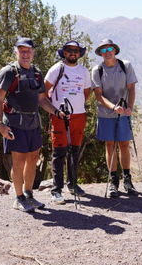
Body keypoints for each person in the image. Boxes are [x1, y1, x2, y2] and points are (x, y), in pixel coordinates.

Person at [0, 37, 66, 213]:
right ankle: (18, 198)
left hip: (33, 123)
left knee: (33, 159)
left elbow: (42, 99)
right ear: (16, 52)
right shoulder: (8, 72)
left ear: (33, 52)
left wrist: (56, 112)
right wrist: (0, 125)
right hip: (14, 123)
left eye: (28, 50)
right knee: (18, 160)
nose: (25, 54)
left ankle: (29, 194)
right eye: (21, 50)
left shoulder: (37, 73)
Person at [44, 40, 91, 204]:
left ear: (80, 54)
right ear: (64, 52)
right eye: (70, 50)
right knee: (59, 152)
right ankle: (56, 190)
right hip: (59, 116)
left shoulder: (84, 71)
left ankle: (73, 185)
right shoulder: (57, 68)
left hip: (79, 115)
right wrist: (55, 108)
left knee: (75, 150)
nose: (73, 53)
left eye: (76, 51)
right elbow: (44, 89)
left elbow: (87, 92)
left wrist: (77, 105)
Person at [91, 38, 139, 198]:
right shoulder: (97, 70)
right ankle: (113, 181)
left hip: (123, 112)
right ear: (100, 53)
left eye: (109, 49)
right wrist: (112, 107)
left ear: (115, 50)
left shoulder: (126, 66)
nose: (107, 52)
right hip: (105, 114)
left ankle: (127, 180)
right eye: (103, 50)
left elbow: (131, 89)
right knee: (109, 146)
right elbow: (98, 96)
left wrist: (129, 108)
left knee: (124, 145)